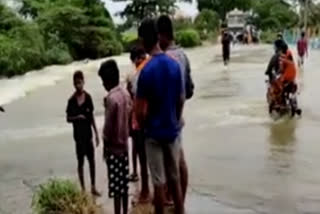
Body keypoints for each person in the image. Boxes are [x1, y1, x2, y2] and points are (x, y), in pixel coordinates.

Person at [136, 18, 185, 214]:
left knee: (158, 183)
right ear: (158, 37)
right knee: (174, 181)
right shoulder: (174, 65)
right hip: (172, 132)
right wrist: (175, 119)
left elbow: (139, 112)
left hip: (153, 134)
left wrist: (145, 126)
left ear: (143, 41)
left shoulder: (146, 70)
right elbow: (180, 99)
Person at [157, 14, 194, 204]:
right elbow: (189, 90)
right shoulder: (183, 56)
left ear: (162, 36)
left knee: (173, 163)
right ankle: (180, 200)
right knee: (179, 160)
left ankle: (175, 202)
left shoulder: (166, 58)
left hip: (168, 118)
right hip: (177, 116)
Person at [98, 60, 132, 214]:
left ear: (107, 80)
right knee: (124, 185)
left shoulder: (111, 99)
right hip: (125, 146)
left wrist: (105, 148)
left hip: (113, 149)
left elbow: (108, 128)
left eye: (103, 81)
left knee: (116, 187)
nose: (103, 85)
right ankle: (125, 211)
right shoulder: (125, 94)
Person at [66, 71, 100, 196]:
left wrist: (96, 134)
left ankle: (93, 187)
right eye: (76, 83)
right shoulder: (71, 100)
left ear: (83, 82)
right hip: (78, 137)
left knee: (92, 161)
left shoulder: (88, 97)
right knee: (80, 163)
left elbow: (91, 117)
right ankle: (83, 189)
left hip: (88, 135)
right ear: (73, 84)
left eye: (79, 83)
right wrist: (77, 117)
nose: (78, 85)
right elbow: (68, 118)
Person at [126, 46, 150, 203]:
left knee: (143, 157)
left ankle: (146, 190)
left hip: (141, 121)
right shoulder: (153, 66)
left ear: (137, 59)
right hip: (153, 119)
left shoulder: (138, 75)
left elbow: (136, 102)